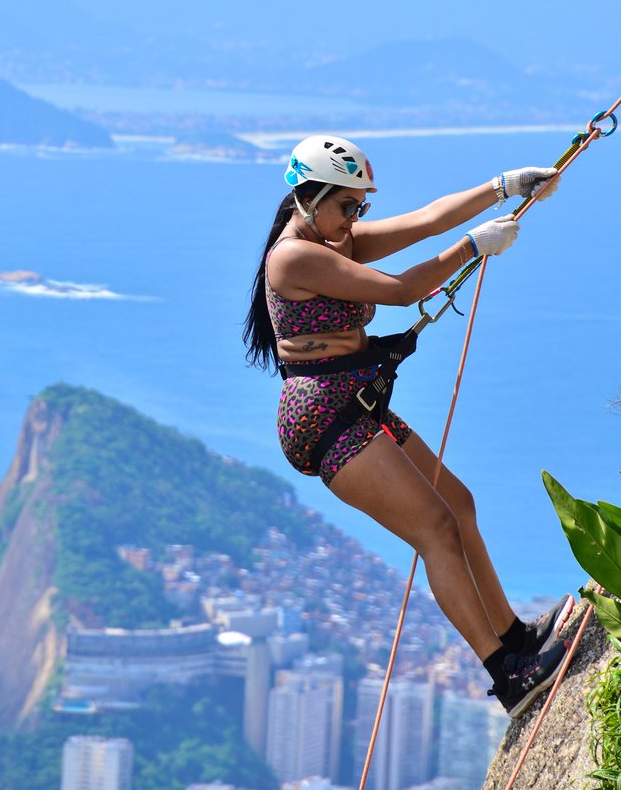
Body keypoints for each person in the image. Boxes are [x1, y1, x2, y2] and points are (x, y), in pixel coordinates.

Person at [244, 133, 572, 718]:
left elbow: (423, 219)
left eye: (359, 208)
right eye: (347, 205)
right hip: (326, 419)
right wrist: (474, 246)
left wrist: (502, 187)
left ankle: (516, 637)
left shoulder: (331, 238)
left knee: (459, 505)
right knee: (436, 529)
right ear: (308, 198)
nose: (355, 219)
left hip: (355, 403)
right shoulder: (295, 255)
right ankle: (507, 674)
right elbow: (401, 292)